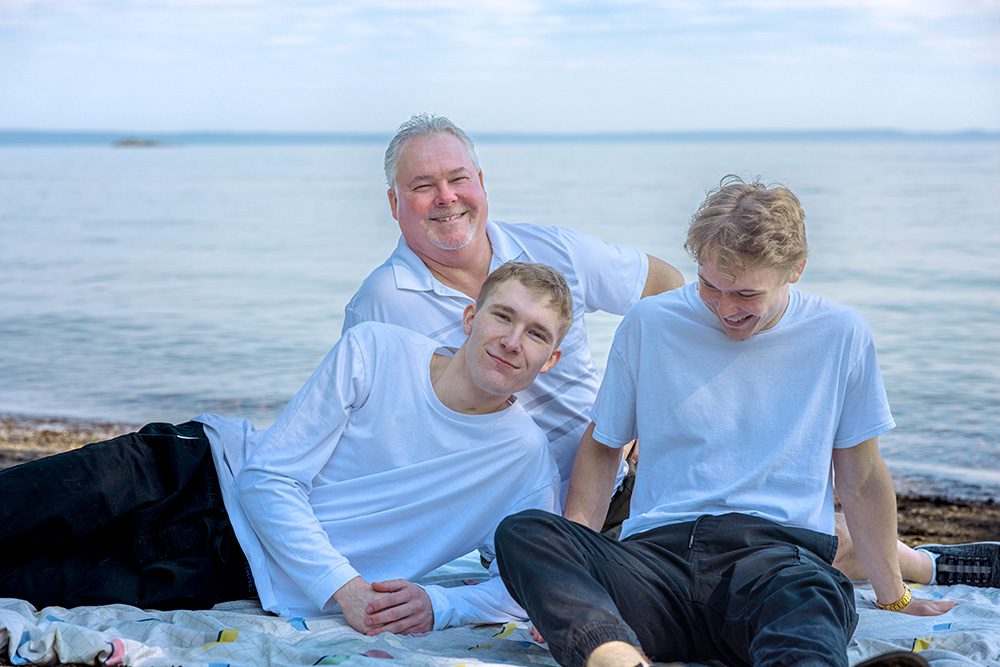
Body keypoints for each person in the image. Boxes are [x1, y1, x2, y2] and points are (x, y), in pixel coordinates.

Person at [494, 177, 956, 667]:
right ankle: (616, 657)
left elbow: (861, 478)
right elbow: (603, 446)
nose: (725, 308)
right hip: (655, 564)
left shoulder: (840, 335)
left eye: (745, 294)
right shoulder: (650, 323)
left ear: (795, 269)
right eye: (710, 285)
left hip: (778, 563)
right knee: (525, 534)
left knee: (807, 605)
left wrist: (894, 595)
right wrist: (578, 566)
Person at [0, 262, 571, 636]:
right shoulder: (376, 350)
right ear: (472, 317)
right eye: (503, 315)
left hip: (223, 574)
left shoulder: (525, 466)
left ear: (551, 361)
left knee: (24, 581)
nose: (512, 341)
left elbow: (524, 584)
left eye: (537, 334)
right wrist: (342, 589)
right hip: (188, 469)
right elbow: (269, 479)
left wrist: (442, 605)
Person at [344, 112, 684, 529]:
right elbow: (377, 443)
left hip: (629, 497)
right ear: (394, 204)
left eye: (458, 179)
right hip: (509, 536)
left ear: (481, 183)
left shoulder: (554, 250)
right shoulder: (380, 305)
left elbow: (666, 286)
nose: (446, 196)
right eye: (423, 186)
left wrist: (637, 405)